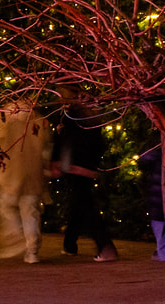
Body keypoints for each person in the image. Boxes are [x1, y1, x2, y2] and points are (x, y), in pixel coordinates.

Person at [51, 94, 119, 262]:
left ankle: (105, 245)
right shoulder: (92, 120)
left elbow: (64, 141)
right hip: (84, 167)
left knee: (84, 205)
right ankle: (70, 244)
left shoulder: (72, 119)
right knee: (79, 204)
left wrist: (56, 161)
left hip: (75, 167)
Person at [0, 99, 51, 263]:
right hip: (33, 175)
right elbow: (46, 149)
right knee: (31, 214)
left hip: (10, 176)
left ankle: (15, 238)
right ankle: (32, 251)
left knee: (6, 206)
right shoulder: (38, 123)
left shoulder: (5, 123)